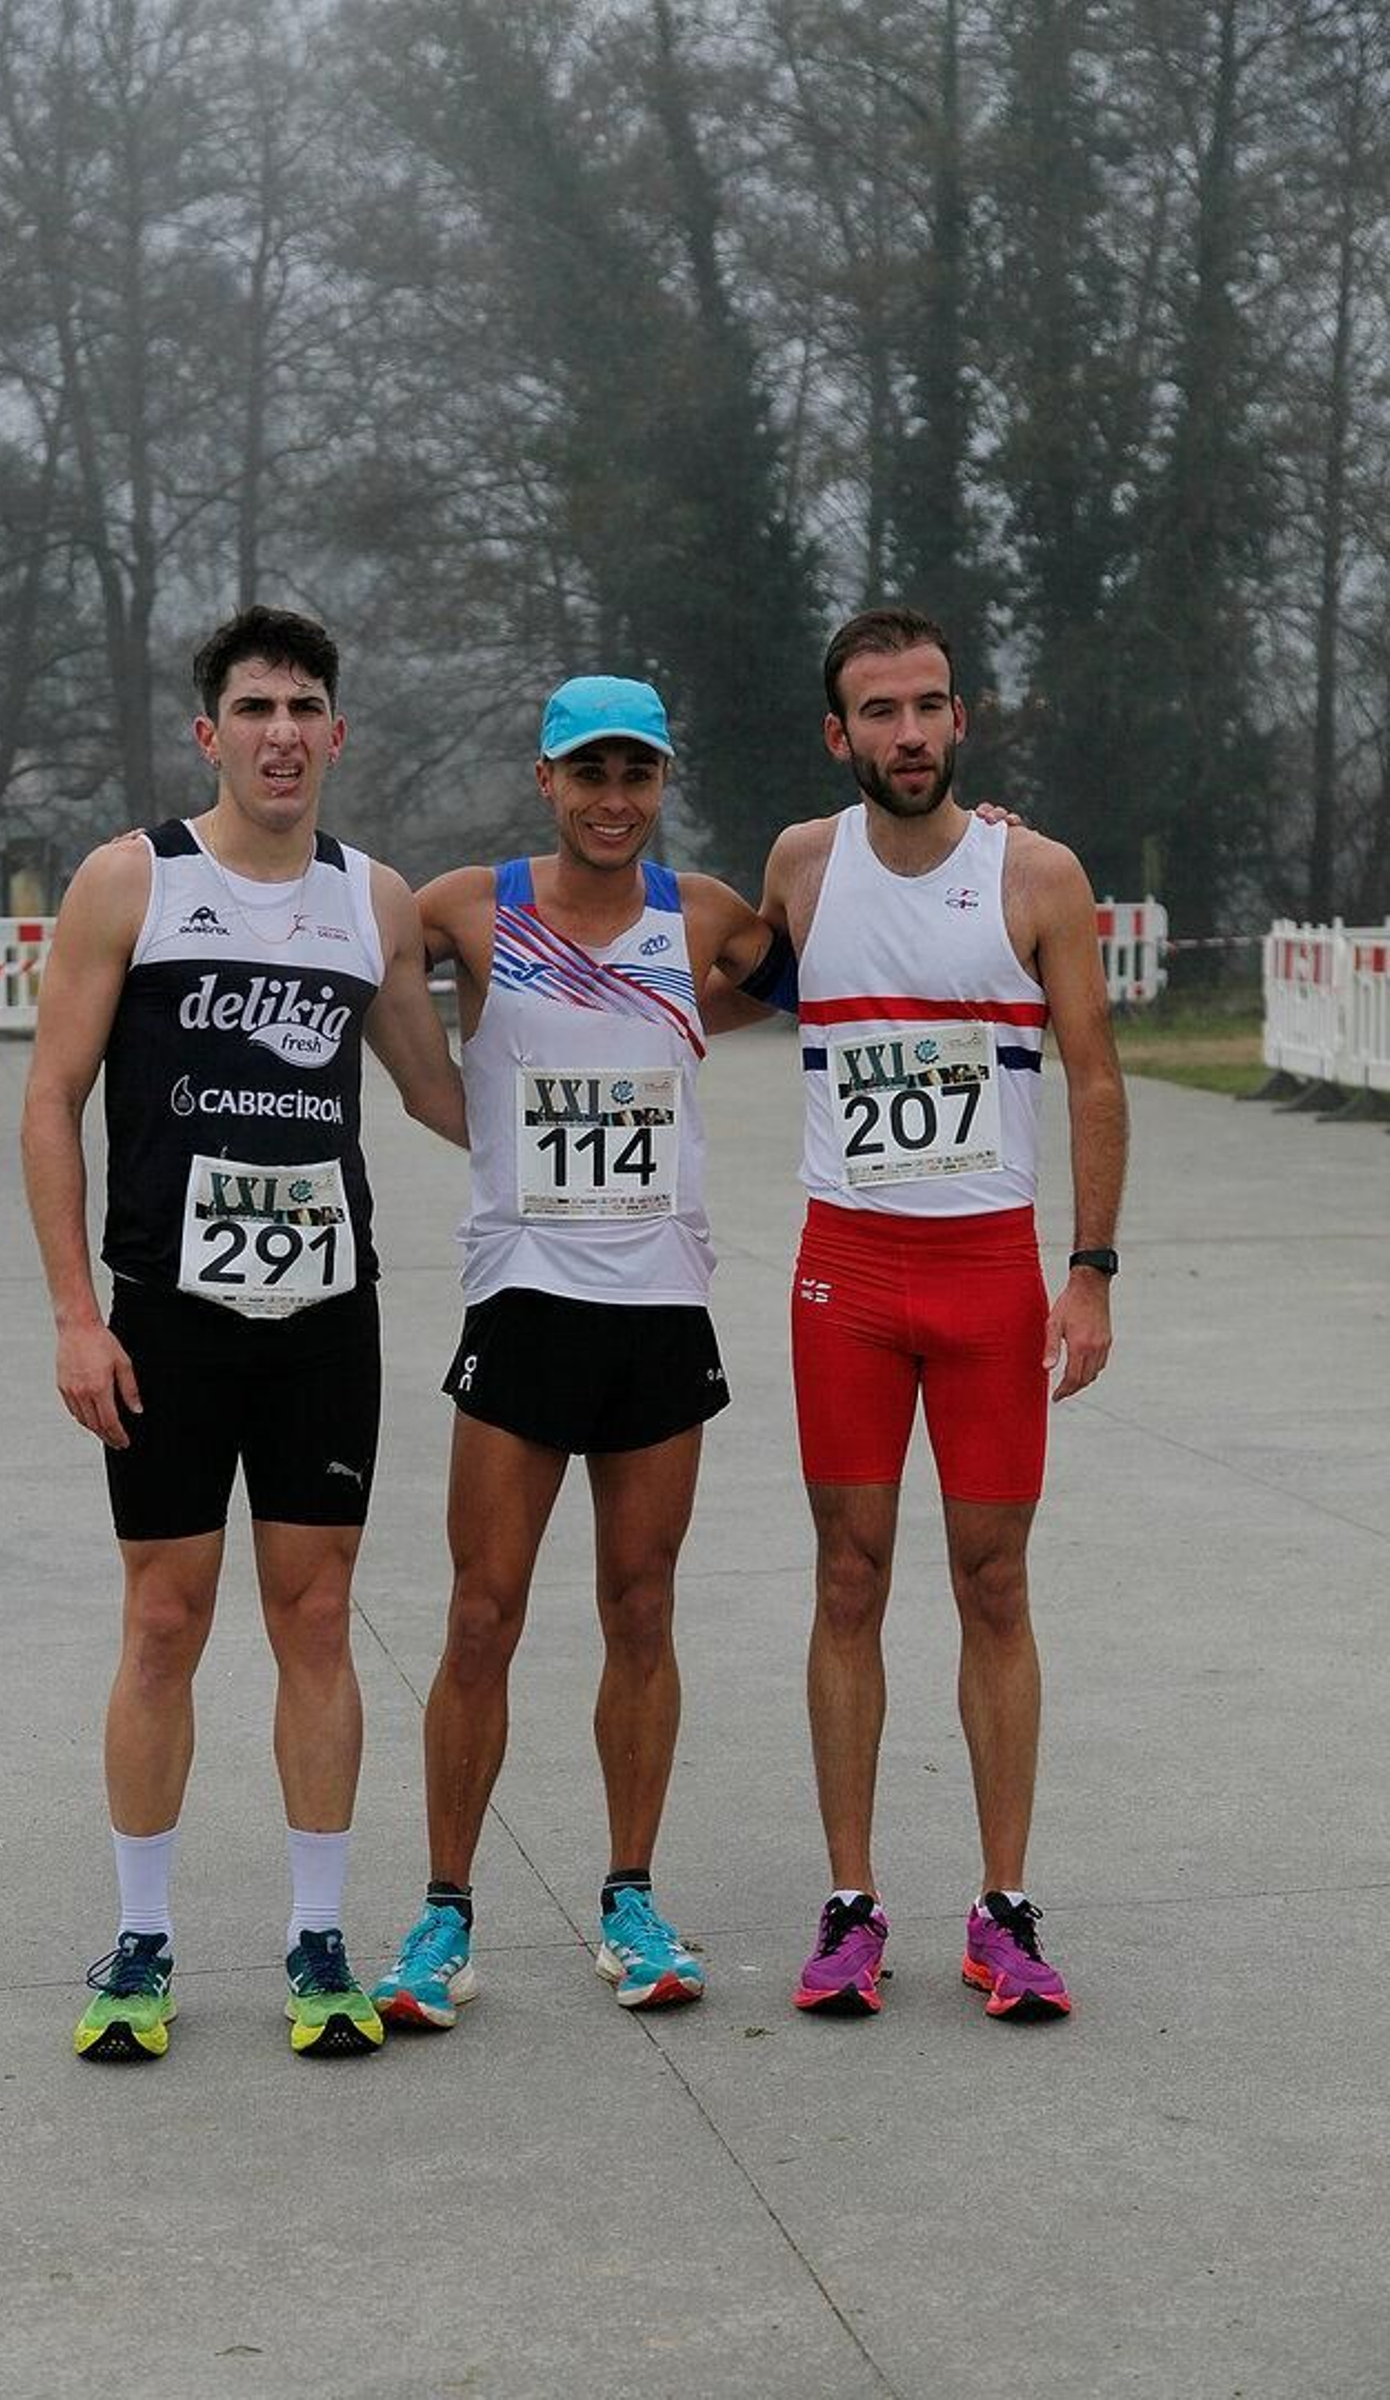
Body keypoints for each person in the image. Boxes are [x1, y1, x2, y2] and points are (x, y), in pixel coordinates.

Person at [21, 604, 467, 2062]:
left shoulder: (371, 900)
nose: (283, 734)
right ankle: (141, 1942)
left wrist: (624, 1058)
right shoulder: (131, 881)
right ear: (210, 733)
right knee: (164, 1619)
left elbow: (437, 1090)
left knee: (316, 1617)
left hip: (324, 1317)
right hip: (167, 1313)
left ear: (339, 734)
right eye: (257, 709)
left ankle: (318, 1939)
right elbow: (52, 1100)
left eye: (305, 708)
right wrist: (76, 1316)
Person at [368, 676, 784, 2026]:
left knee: (641, 1608)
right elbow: (341, 932)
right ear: (544, 778)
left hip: (659, 1306)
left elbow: (829, 962)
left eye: (636, 775)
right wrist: (461, 1114)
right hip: (526, 1302)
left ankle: (631, 1898)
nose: (614, 800)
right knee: (481, 1613)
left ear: (661, 784)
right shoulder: (467, 909)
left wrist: (980, 831)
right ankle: (444, 1912)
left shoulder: (702, 916)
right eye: (589, 774)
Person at [759, 605, 1126, 2022]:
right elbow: (699, 984)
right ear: (837, 733)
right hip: (847, 1276)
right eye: (880, 711)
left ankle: (1005, 1906)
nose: (908, 734)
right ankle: (851, 1906)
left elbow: (1093, 1077)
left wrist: (1090, 1269)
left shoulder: (1037, 873)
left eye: (929, 706)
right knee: (848, 1578)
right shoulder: (803, 866)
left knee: (995, 1583)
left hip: (986, 1275)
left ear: (960, 719)